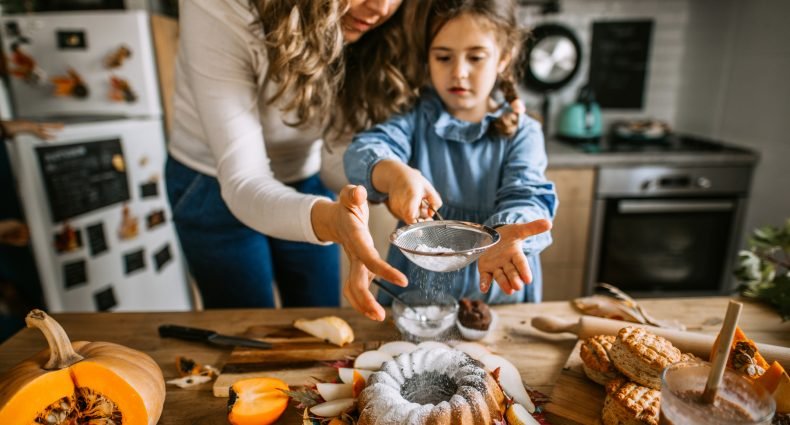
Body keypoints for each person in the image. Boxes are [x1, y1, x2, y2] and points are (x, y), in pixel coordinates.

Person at [166, 0, 416, 320]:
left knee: (321, 318)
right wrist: (333, 223)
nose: (381, 7)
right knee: (249, 328)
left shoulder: (367, 27)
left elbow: (333, 157)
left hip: (305, 176)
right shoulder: (217, 7)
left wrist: (387, 175)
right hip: (208, 183)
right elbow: (244, 181)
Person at [344, 0, 558, 308]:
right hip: (417, 290)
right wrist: (395, 174)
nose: (458, 72)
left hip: (495, 290)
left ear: (504, 58)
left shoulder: (524, 132)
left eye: (475, 57)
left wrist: (508, 231)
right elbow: (364, 151)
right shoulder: (415, 118)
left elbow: (527, 195)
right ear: (427, 58)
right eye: (443, 57)